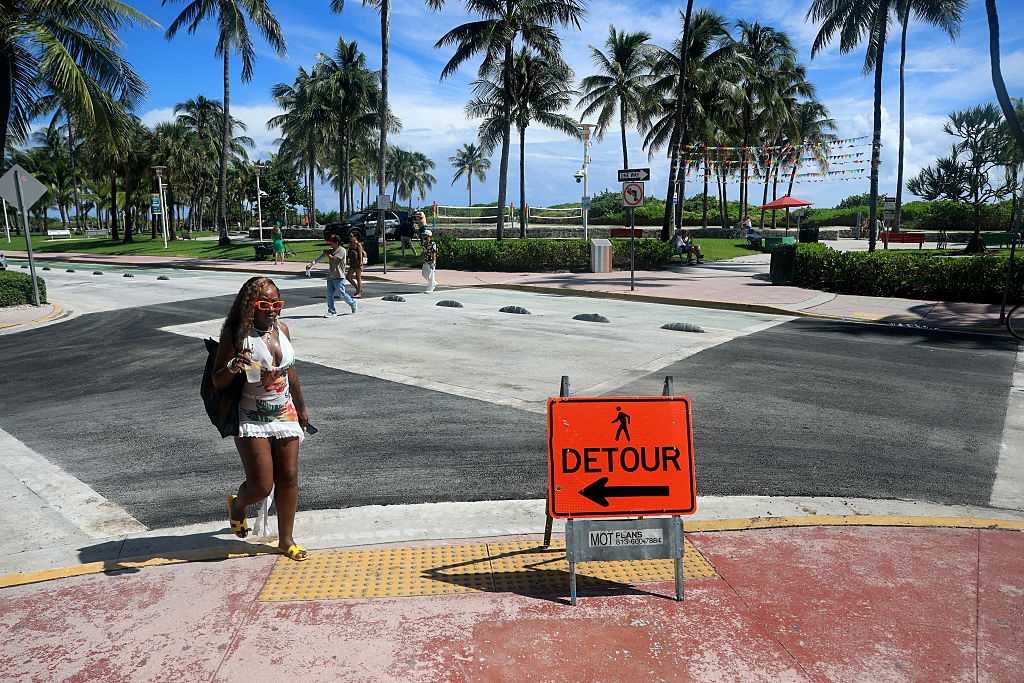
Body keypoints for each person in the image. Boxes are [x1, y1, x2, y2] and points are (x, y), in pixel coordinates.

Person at [213, 276, 310, 561]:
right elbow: (218, 381)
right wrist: (232, 366)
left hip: (285, 411)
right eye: (265, 304)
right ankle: (239, 506)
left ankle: (286, 540)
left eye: (276, 303)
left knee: (289, 477)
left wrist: (302, 407)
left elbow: (290, 372)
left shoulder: (283, 329)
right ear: (250, 306)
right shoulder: (236, 335)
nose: (272, 309)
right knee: (261, 485)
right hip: (251, 415)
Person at [308, 233, 357, 317]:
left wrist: (327, 253)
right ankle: (332, 311)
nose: (330, 244)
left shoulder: (342, 250)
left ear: (337, 243)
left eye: (332, 243)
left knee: (341, 294)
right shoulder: (330, 250)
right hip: (331, 276)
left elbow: (334, 259)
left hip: (339, 277)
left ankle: (352, 303)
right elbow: (321, 257)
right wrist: (311, 264)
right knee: (329, 295)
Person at [346, 231, 365, 298]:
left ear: (355, 237)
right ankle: (358, 288)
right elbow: (349, 253)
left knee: (358, 277)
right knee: (348, 277)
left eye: (351, 236)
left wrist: (361, 264)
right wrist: (347, 259)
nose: (350, 238)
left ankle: (359, 293)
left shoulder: (358, 245)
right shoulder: (350, 244)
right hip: (352, 263)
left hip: (357, 263)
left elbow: (360, 255)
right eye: (349, 236)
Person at [421, 229, 437, 293]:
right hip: (426, 260)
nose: (423, 236)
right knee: (424, 273)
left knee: (431, 275)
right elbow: (424, 251)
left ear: (428, 236)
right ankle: (433, 283)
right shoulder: (425, 243)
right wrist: (421, 258)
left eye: (424, 235)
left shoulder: (432, 243)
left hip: (431, 261)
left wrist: (433, 262)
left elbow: (434, 253)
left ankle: (430, 289)